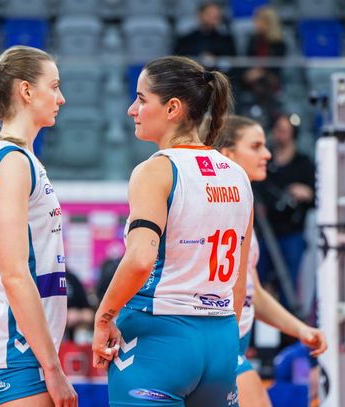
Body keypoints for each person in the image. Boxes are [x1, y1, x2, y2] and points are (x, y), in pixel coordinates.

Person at [92, 56, 254, 407]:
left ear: (172, 108)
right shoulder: (237, 174)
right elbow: (240, 280)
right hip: (222, 338)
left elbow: (140, 260)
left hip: (159, 338)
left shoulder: (156, 171)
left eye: (141, 99)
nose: (131, 110)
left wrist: (103, 317)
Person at [0, 45, 77, 407]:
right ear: (26, 91)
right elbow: (14, 274)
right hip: (17, 347)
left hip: (25, 346)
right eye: (54, 86)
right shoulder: (12, 161)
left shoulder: (18, 157)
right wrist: (52, 368)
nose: (61, 98)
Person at [213, 115, 327, 407]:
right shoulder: (214, 209)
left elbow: (254, 293)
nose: (267, 154)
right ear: (228, 154)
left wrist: (300, 330)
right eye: (256, 146)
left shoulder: (243, 208)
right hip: (217, 349)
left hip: (232, 346)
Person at [253, 113, 315, 310]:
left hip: (291, 231)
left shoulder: (303, 162)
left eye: (285, 131)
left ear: (293, 134)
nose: (280, 135)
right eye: (278, 130)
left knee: (289, 285)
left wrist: (306, 193)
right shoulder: (267, 159)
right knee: (257, 283)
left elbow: (316, 195)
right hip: (265, 231)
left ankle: (290, 324)